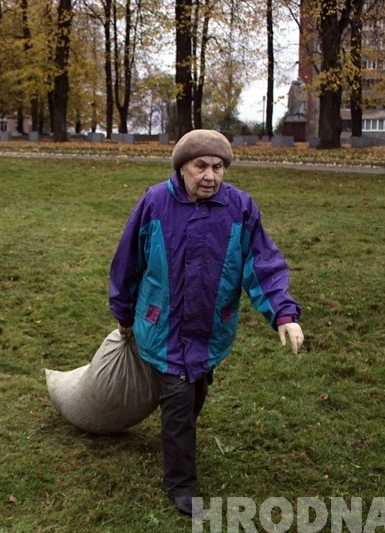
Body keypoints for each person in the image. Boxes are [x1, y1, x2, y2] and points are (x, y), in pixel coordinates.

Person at [108, 129, 305, 517]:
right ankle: (181, 485)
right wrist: (123, 312)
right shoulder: (155, 203)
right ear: (181, 168)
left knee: (194, 391)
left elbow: (262, 264)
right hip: (163, 327)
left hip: (211, 328)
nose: (210, 176)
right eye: (201, 166)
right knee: (180, 398)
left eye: (218, 167)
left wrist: (283, 313)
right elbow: (128, 261)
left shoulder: (240, 208)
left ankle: (174, 434)